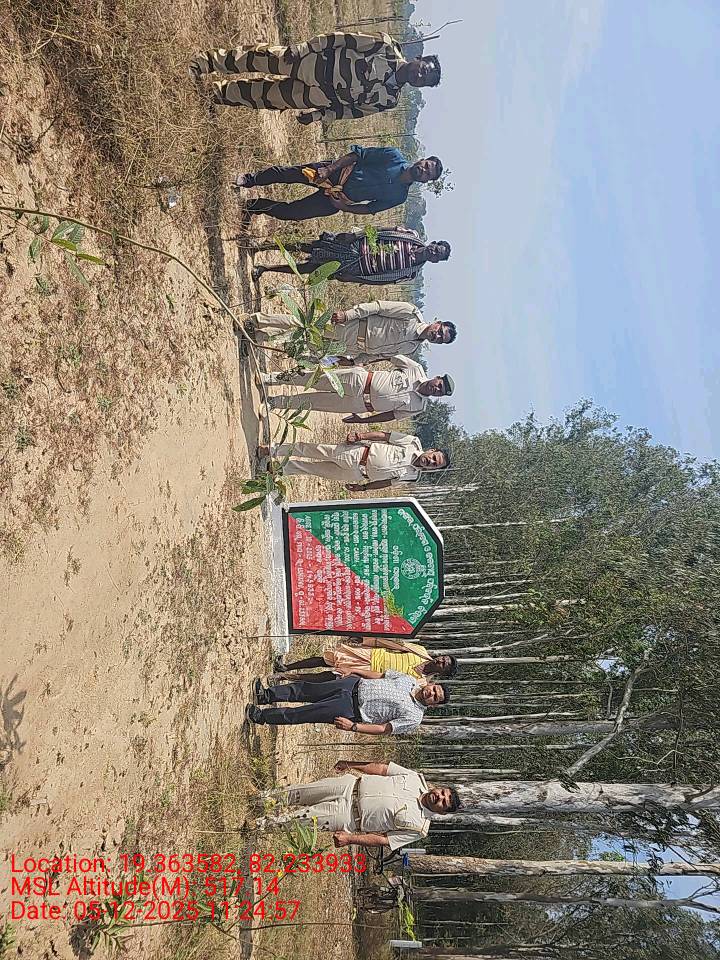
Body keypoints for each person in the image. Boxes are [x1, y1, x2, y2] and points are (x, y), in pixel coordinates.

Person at [188, 33, 441, 122]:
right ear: (419, 58)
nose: (420, 75)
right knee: (256, 58)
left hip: (315, 96)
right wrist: (303, 48)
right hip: (310, 62)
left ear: (421, 86)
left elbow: (350, 112)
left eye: (424, 79)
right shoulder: (384, 46)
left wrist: (318, 115)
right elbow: (339, 38)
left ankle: (214, 94)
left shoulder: (389, 100)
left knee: (263, 96)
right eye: (424, 69)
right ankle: (203, 63)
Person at [255, 760, 461, 851]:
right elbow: (382, 769)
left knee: (300, 821)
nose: (439, 797)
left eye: (443, 802)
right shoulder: (416, 778)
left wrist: (350, 839)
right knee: (299, 792)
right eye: (442, 793)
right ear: (440, 787)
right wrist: (351, 764)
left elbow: (384, 840)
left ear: (442, 812)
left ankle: (259, 826)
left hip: (348, 817)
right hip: (349, 786)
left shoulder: (419, 828)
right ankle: (259, 800)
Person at [234, 147, 442, 221]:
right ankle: (250, 180)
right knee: (289, 174)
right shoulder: (393, 156)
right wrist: (329, 169)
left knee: (294, 213)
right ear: (421, 160)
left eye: (428, 174)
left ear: (426, 181)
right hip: (335, 174)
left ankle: (254, 207)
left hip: (337, 200)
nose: (423, 170)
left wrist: (344, 207)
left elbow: (370, 208)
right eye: (426, 165)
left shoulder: (400, 197)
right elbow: (358, 155)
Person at [245, 669, 448, 735]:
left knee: (304, 713)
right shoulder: (409, 680)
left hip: (352, 709)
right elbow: (380, 675)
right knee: (305, 689)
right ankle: (267, 695)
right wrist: (355, 671)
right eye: (434, 689)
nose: (431, 693)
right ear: (432, 684)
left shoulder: (414, 717)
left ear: (433, 705)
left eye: (435, 697)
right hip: (352, 685)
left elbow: (385, 728)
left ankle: (261, 716)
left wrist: (353, 727)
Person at [253, 300, 457, 364]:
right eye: (440, 331)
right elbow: (378, 306)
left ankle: (260, 336)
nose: (437, 335)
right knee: (303, 325)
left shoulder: (411, 349)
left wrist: (355, 361)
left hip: (350, 348)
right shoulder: (410, 313)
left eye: (440, 339)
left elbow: (379, 355)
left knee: (306, 344)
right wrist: (348, 314)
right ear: (437, 322)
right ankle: (256, 320)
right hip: (351, 327)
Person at [259, 356, 455, 420]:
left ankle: (274, 403)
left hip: (360, 405)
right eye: (439, 385)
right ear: (437, 378)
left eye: (440, 392)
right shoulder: (415, 368)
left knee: (313, 403)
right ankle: (272, 378)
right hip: (359, 380)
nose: (436, 390)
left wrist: (363, 421)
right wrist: (362, 361)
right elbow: (389, 355)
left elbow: (391, 415)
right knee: (314, 377)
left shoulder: (418, 406)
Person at [250, 227, 450, 286]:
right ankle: (262, 246)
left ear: (435, 262)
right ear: (433, 243)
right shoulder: (410, 236)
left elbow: (382, 281)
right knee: (309, 247)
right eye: (436, 248)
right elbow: (381, 230)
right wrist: (355, 236)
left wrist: (353, 279)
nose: (433, 252)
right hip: (353, 246)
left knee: (309, 269)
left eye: (437, 256)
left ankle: (265, 269)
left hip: (355, 268)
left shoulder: (411, 273)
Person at [257, 430, 449, 490]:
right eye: (434, 457)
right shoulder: (412, 443)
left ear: (433, 469)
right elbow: (385, 436)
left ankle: (277, 469)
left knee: (312, 469)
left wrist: (363, 488)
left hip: (357, 474)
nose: (431, 462)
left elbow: (387, 483)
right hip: (357, 453)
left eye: (435, 465)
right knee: (311, 450)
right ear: (431, 450)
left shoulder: (413, 476)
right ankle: (272, 450)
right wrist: (360, 436)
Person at [274, 638, 458, 685]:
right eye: (443, 658)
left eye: (444, 664)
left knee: (329, 676)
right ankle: (286, 666)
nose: (440, 660)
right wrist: (366, 640)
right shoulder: (421, 652)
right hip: (370, 654)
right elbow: (394, 644)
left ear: (443, 673)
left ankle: (287, 678)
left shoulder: (421, 682)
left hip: (369, 674)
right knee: (328, 659)